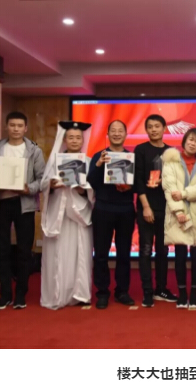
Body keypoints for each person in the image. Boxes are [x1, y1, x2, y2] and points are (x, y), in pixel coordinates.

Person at [0, 111, 45, 310]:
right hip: (1, 204)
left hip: (24, 205)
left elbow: (42, 180)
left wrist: (28, 188)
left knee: (24, 251)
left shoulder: (34, 150)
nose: (16, 129)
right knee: (2, 250)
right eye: (12, 125)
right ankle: (5, 294)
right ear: (6, 127)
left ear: (26, 128)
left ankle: (21, 295)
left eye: (19, 126)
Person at [40, 121, 94, 310]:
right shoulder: (55, 161)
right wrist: (51, 185)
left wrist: (82, 189)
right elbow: (43, 185)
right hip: (59, 212)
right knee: (59, 252)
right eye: (71, 137)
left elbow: (93, 190)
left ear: (83, 140)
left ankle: (80, 293)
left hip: (80, 212)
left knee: (80, 252)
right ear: (64, 139)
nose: (75, 141)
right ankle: (57, 294)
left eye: (78, 137)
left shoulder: (88, 162)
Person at [162, 128, 196, 309]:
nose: (193, 143)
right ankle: (182, 293)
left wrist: (183, 194)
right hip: (178, 215)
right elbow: (169, 188)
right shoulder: (170, 162)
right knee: (180, 256)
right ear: (184, 141)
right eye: (190, 139)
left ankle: (194, 294)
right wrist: (178, 211)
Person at [87, 120, 135, 309]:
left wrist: (129, 187)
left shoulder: (131, 157)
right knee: (101, 253)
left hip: (125, 210)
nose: (116, 133)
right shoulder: (99, 156)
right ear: (107, 134)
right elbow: (91, 181)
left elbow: (138, 185)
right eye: (113, 131)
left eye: (120, 130)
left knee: (124, 254)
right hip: (103, 209)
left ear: (125, 134)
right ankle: (102, 292)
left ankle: (122, 291)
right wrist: (99, 164)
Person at [134, 114, 177, 308]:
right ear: (146, 130)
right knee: (145, 250)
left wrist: (165, 182)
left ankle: (161, 289)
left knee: (163, 251)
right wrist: (145, 206)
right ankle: (147, 291)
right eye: (150, 127)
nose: (153, 130)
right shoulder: (141, 149)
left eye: (157, 126)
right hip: (147, 208)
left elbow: (176, 179)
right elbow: (137, 180)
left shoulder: (171, 152)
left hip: (166, 208)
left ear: (164, 128)